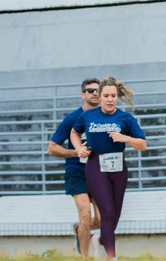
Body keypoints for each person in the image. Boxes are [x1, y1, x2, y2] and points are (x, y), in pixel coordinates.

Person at [70, 77, 147, 260]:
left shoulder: (125, 118)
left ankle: (103, 240)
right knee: (107, 212)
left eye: (113, 95)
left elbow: (142, 144)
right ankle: (111, 256)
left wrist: (125, 138)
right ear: (100, 96)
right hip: (96, 166)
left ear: (117, 97)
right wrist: (79, 148)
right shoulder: (88, 116)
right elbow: (74, 132)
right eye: (106, 96)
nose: (110, 99)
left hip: (119, 168)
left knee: (115, 215)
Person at [47, 78, 102, 258]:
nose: (94, 93)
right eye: (90, 90)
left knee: (101, 219)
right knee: (85, 214)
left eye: (97, 90)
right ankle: (85, 257)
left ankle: (80, 230)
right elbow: (52, 148)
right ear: (82, 94)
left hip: (99, 171)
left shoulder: (106, 117)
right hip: (77, 172)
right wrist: (76, 152)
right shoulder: (72, 118)